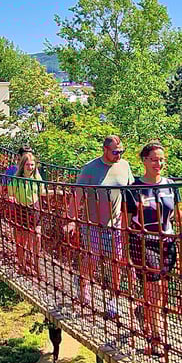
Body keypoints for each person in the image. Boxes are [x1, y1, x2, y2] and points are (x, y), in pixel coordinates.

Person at [124, 141, 182, 356]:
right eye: (153, 159)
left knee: (161, 292)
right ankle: (156, 339)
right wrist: (127, 251)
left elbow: (177, 215)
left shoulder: (170, 184)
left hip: (168, 243)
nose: (158, 163)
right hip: (143, 243)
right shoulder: (133, 189)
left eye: (161, 159)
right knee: (154, 291)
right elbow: (126, 222)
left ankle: (145, 314)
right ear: (143, 161)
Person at [68, 135, 135, 319]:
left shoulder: (124, 166)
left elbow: (131, 190)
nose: (119, 155)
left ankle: (113, 302)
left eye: (121, 151)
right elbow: (77, 195)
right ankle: (83, 285)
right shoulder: (89, 169)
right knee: (93, 260)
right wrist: (71, 219)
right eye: (115, 152)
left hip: (116, 224)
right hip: (93, 225)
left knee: (117, 262)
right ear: (104, 150)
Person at [6, 149, 43, 278]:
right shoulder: (16, 179)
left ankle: (37, 266)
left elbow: (42, 192)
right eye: (28, 165)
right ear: (23, 165)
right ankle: (21, 266)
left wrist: (58, 192)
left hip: (34, 208)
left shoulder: (37, 177)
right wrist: (12, 198)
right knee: (22, 241)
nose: (30, 167)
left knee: (37, 237)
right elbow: (10, 193)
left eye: (32, 165)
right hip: (21, 209)